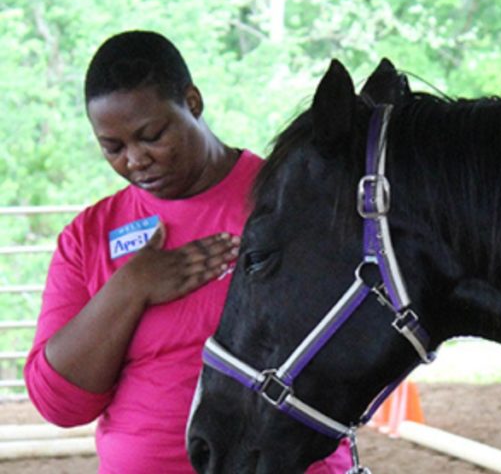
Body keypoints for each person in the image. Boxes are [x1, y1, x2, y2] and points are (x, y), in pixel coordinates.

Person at [23, 31, 352, 473]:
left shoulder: (288, 201)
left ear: (192, 102)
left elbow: (354, 352)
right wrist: (130, 287)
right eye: (113, 147)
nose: (136, 160)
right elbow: (59, 404)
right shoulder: (88, 236)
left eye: (151, 135)